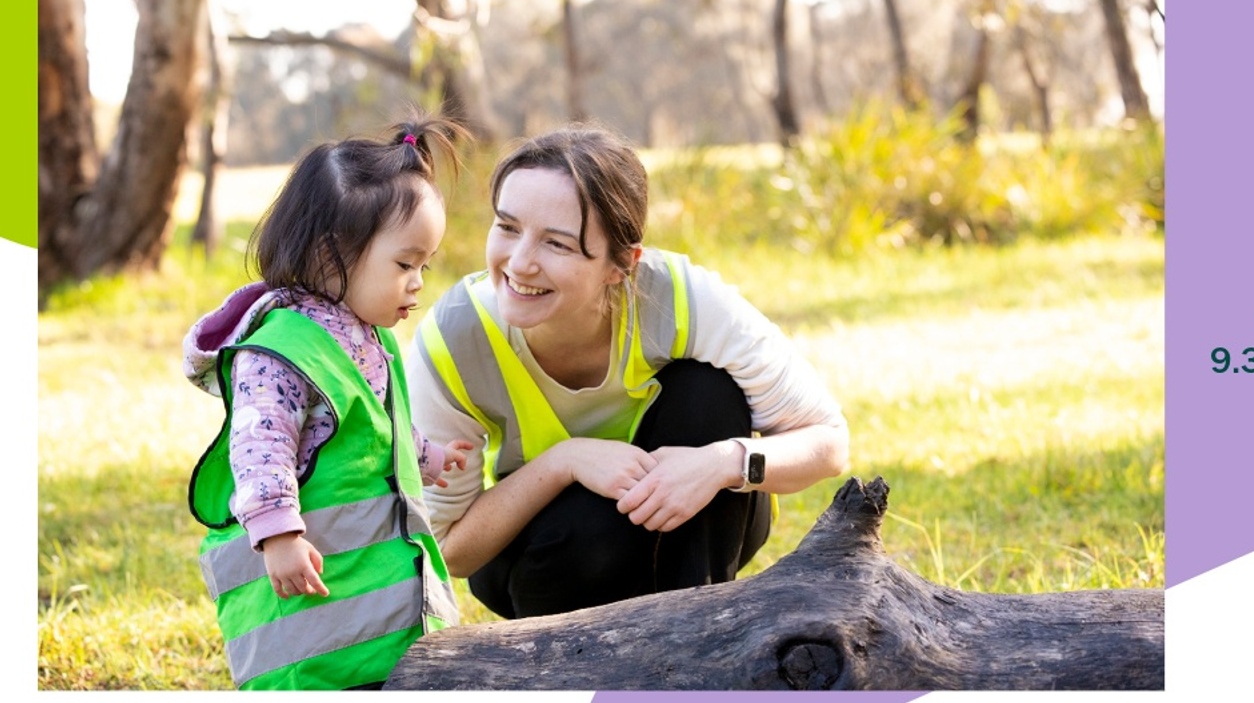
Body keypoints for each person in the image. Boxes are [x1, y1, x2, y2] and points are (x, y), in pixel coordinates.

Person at [407, 125, 849, 619]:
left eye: (557, 244)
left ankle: (697, 631)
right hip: (546, 563)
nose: (520, 263)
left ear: (623, 264)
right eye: (507, 228)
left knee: (709, 392)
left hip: (688, 541)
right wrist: (566, 461)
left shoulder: (681, 299)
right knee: (591, 529)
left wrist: (722, 463)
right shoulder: (455, 338)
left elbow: (828, 444)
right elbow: (444, 549)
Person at [184, 115, 472, 690]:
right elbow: (259, 449)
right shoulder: (281, 352)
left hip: (373, 624)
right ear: (328, 256)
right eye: (403, 264)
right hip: (314, 635)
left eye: (425, 265)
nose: (418, 282)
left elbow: (366, 430)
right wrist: (277, 534)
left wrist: (424, 454)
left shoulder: (369, 336)